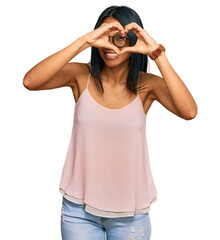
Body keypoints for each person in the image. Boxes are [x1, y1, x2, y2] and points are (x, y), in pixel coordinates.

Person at [23, 5, 197, 240]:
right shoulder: (81, 76)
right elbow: (30, 81)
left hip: (131, 214)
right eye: (105, 35)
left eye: (120, 39)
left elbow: (189, 111)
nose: (111, 45)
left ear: (134, 41)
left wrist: (158, 54)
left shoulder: (146, 86)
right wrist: (85, 41)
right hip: (78, 210)